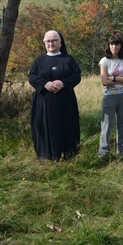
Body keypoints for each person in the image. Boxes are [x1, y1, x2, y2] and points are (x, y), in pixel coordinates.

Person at [28, 30, 82, 160]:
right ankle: (47, 156)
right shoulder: (39, 60)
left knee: (67, 127)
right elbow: (32, 77)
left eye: (54, 40)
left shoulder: (68, 59)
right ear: (44, 43)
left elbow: (76, 75)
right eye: (48, 41)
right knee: (45, 128)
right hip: (44, 103)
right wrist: (45, 84)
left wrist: (63, 83)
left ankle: (68, 154)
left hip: (65, 102)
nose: (51, 43)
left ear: (60, 42)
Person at [97, 34, 123, 157]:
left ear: (121, 46)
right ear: (109, 46)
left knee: (122, 125)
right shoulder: (104, 61)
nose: (114, 47)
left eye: (117, 44)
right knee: (106, 125)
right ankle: (103, 153)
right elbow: (104, 81)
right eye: (112, 44)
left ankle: (121, 152)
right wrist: (122, 79)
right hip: (110, 97)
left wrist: (113, 78)